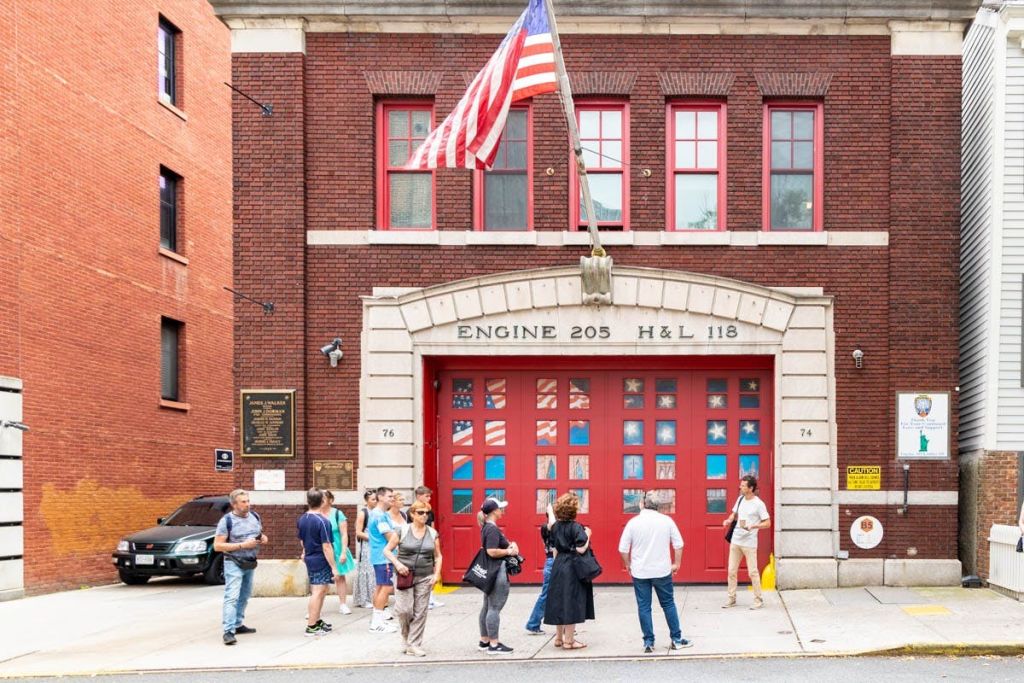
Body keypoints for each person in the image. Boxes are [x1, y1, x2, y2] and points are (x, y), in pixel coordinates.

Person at [618, 490, 691, 654]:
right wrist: (676, 563)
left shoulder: (633, 523)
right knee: (668, 604)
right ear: (658, 506)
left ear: (642, 504)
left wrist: (628, 565)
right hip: (662, 570)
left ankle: (648, 642)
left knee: (644, 606)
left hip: (640, 571)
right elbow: (679, 544)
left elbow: (622, 548)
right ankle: (677, 639)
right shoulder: (666, 521)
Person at [383, 499, 443, 657]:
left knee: (420, 611)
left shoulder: (432, 533)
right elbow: (387, 550)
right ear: (412, 514)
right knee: (404, 610)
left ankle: (414, 644)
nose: (424, 516)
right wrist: (397, 564)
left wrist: (436, 574)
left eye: (426, 513)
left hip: (425, 576)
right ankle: (405, 637)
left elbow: (438, 556)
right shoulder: (402, 530)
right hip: (404, 575)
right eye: (420, 513)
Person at [213, 489, 267, 646]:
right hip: (233, 562)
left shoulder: (255, 516)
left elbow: (259, 533)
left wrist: (262, 538)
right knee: (232, 596)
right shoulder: (226, 521)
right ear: (233, 504)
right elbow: (218, 546)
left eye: (248, 501)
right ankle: (228, 631)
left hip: (249, 561)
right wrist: (243, 545)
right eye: (243, 502)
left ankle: (238, 624)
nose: (247, 504)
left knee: (245, 595)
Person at [543, 493, 594, 650]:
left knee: (559, 600)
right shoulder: (576, 527)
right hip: (572, 566)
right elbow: (580, 548)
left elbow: (555, 549)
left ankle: (559, 638)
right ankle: (569, 641)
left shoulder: (555, 527)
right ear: (574, 510)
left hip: (559, 564)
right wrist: (588, 535)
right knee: (571, 602)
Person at [722, 475, 771, 610]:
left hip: (749, 543)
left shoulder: (758, 504)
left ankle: (758, 599)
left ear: (751, 488)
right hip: (736, 541)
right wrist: (728, 520)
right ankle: (731, 598)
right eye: (741, 485)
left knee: (752, 572)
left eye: (743, 485)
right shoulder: (740, 499)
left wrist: (754, 526)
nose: (740, 487)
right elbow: (734, 514)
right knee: (731, 571)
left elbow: (767, 523)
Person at [297, 488, 340, 636]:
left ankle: (316, 620)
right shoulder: (323, 521)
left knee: (321, 590)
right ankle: (311, 626)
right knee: (318, 591)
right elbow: (327, 546)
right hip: (320, 559)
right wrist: (334, 567)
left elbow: (302, 540)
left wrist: (305, 552)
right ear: (323, 501)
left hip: (310, 557)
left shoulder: (302, 519)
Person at [478, 497, 518, 655]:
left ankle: (484, 640)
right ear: (494, 511)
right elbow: (491, 551)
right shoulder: (492, 529)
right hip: (496, 571)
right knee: (494, 607)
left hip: (490, 570)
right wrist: (510, 551)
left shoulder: (486, 527)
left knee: (487, 606)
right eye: (500, 508)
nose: (502, 510)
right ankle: (494, 644)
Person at [367, 486, 399, 633]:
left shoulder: (380, 514)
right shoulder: (379, 515)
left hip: (379, 555)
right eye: (389, 496)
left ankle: (378, 620)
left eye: (393, 496)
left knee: (380, 587)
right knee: (385, 587)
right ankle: (376, 623)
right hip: (383, 557)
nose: (392, 499)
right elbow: (389, 536)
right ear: (380, 497)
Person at [321, 490, 356, 614]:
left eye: (324, 497)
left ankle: (343, 604)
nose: (322, 500)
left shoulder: (337, 514)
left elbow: (344, 534)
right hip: (321, 549)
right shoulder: (316, 513)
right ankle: (316, 607)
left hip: (336, 548)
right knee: (320, 580)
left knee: (340, 577)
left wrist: (343, 552)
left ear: (330, 500)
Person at [524, 503, 556, 635]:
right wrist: (550, 509)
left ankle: (566, 627)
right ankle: (533, 623)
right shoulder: (547, 527)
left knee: (561, 595)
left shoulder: (557, 527)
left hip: (553, 562)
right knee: (546, 595)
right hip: (552, 562)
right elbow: (553, 524)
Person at [415, 485, 444, 609]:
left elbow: (432, 526)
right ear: (419, 496)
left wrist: (434, 539)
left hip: (429, 542)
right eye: (427, 496)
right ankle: (423, 600)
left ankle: (430, 597)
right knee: (421, 571)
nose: (429, 498)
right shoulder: (413, 510)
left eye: (430, 496)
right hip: (418, 543)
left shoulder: (430, 510)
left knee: (430, 569)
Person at [352, 489, 377, 609]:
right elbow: (358, 532)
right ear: (367, 501)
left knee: (375, 572)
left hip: (378, 546)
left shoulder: (379, 512)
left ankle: (375, 597)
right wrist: (373, 538)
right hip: (367, 546)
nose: (375, 501)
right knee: (367, 571)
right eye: (373, 499)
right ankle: (364, 599)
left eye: (376, 498)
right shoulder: (363, 513)